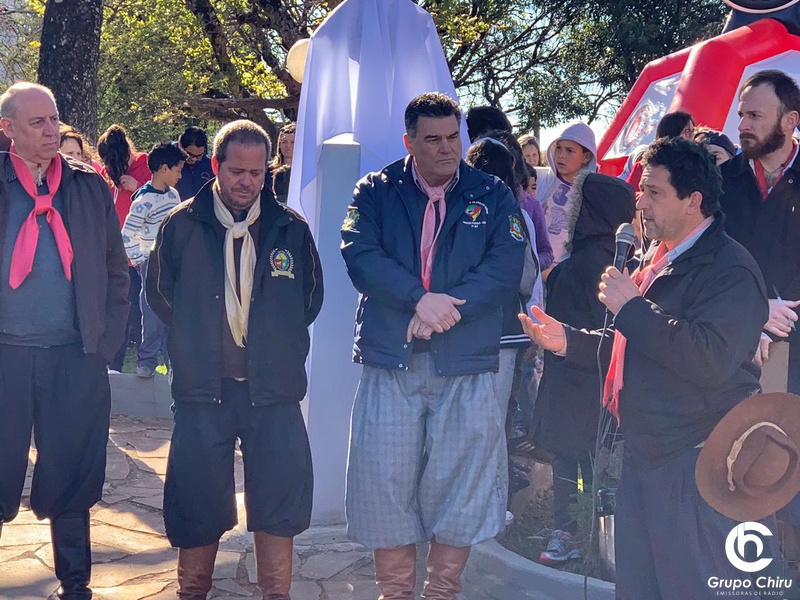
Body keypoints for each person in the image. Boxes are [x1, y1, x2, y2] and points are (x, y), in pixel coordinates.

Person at [520, 136, 772, 598]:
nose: (640, 202)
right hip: (643, 455)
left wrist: (632, 308)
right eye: (641, 190)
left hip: (695, 463)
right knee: (639, 587)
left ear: (693, 201)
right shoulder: (656, 259)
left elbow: (708, 358)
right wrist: (569, 341)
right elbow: (636, 344)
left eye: (654, 192)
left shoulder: (730, 269)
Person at [341, 92, 527, 600]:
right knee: (383, 482)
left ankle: (441, 591)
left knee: (461, 483)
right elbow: (360, 255)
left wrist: (446, 310)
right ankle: (395, 593)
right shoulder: (375, 191)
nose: (447, 149)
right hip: (391, 359)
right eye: (433, 140)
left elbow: (505, 266)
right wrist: (418, 300)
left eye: (453, 137)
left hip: (465, 361)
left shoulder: (492, 193)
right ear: (409, 142)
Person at [146, 119, 323, 600]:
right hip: (204, 389)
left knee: (279, 499)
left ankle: (276, 594)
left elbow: (309, 300)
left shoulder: (290, 228)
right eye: (237, 171)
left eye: (256, 172)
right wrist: (198, 339)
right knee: (197, 499)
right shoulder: (181, 224)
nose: (247, 181)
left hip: (274, 389)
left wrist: (273, 342)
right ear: (216, 166)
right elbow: (160, 294)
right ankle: (192, 591)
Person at [0, 82, 129, 600]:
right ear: (8, 128)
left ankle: (75, 584)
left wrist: (105, 343)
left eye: (54, 119)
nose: (52, 130)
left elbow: (116, 269)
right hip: (6, 355)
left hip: (75, 355)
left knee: (73, 469)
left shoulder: (88, 186)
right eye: (38, 123)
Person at [531, 173, 635, 565]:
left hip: (563, 380)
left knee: (565, 461)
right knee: (596, 464)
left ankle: (564, 533)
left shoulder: (567, 269)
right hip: (602, 383)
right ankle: (598, 537)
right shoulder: (622, 270)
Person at [719, 70, 800, 393]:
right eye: (742, 115)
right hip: (729, 342)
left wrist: (782, 313)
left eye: (754, 116)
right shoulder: (719, 181)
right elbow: (708, 258)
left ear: (789, 120)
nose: (742, 126)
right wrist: (756, 309)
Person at [121, 142, 186, 378]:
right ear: (163, 168)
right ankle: (146, 361)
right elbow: (127, 235)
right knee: (151, 313)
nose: (180, 176)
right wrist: (140, 260)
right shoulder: (143, 201)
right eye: (177, 170)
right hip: (150, 262)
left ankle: (173, 362)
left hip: (173, 263)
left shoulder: (174, 195)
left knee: (173, 313)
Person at [97, 124, 150, 373]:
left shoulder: (146, 165)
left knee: (139, 310)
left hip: (140, 255)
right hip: (112, 254)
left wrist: (137, 186)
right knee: (117, 310)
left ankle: (145, 362)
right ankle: (113, 365)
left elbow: (164, 199)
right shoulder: (103, 173)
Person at [534, 121, 598, 273]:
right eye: (558, 148)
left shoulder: (592, 193)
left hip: (564, 273)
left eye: (569, 150)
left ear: (586, 157)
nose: (561, 155)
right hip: (532, 267)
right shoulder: (536, 178)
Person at [176, 126, 214, 201]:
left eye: (199, 155)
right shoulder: (171, 165)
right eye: (190, 154)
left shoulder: (210, 166)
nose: (194, 159)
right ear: (180, 146)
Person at [270, 122, 295, 204]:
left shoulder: (305, 173)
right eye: (284, 142)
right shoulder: (267, 170)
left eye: (292, 142)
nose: (288, 146)